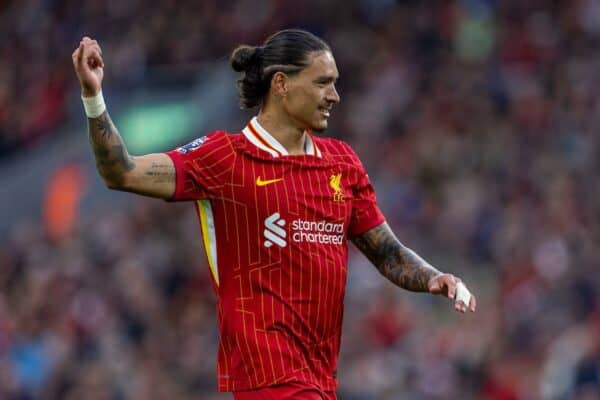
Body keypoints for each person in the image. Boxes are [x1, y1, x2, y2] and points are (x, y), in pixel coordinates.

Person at [72, 29, 476, 400]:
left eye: (335, 83)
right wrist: (94, 99)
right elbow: (120, 171)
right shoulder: (224, 157)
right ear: (281, 84)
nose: (334, 95)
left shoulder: (341, 164)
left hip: (320, 378)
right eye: (322, 82)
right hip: (267, 376)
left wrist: (432, 278)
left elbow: (386, 251)